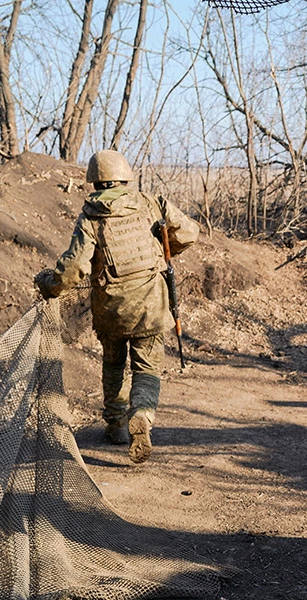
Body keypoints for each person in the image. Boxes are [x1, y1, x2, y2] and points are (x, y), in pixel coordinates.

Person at [36, 150, 198, 464]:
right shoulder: (152, 203)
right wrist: (165, 253)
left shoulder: (90, 217)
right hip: (150, 305)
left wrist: (48, 285)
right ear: (126, 175)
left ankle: (116, 424)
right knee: (147, 368)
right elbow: (189, 233)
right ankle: (143, 415)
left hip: (109, 308)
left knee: (113, 363)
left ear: (94, 180)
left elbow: (73, 269)